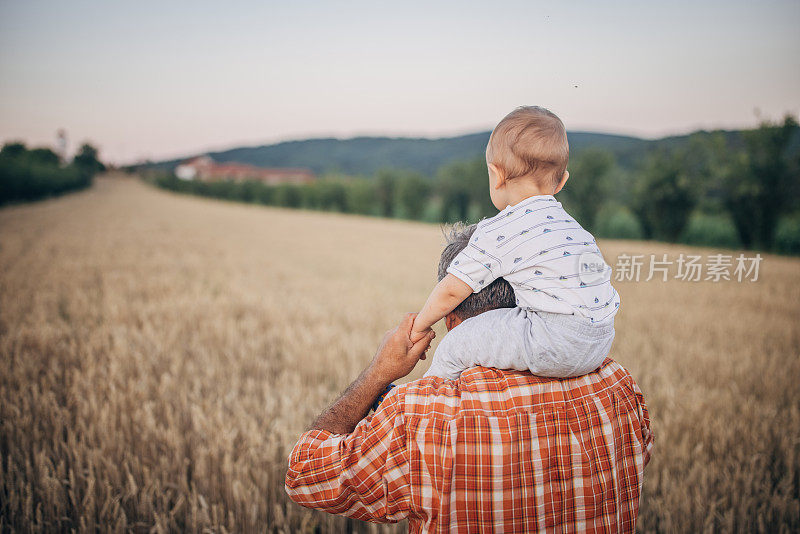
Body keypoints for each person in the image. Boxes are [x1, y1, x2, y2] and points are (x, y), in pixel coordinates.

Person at [285, 223, 654, 533]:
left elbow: (304, 473)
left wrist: (379, 372)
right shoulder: (618, 385)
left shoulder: (422, 417)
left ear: (451, 319)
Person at [411, 106, 619, 380]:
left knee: (457, 344)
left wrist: (419, 327)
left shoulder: (502, 227)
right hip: (601, 340)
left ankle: (430, 396)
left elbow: (452, 291)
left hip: (554, 339)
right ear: (561, 182)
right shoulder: (576, 229)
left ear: (496, 175)